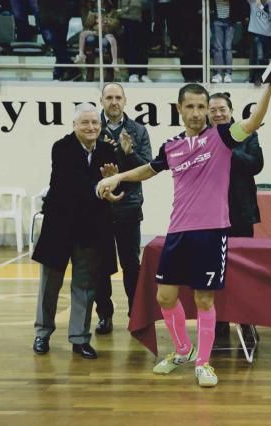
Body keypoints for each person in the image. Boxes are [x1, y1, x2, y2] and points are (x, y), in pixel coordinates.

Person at [96, 78, 271, 387]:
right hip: (178, 232)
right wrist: (119, 177)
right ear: (180, 109)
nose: (198, 112)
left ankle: (203, 363)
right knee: (165, 295)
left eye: (202, 106)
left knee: (203, 300)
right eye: (191, 106)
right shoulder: (171, 145)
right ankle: (183, 350)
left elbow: (253, 122)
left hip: (211, 233)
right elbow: (149, 168)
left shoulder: (223, 137)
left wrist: (269, 91)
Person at [32, 103, 119, 359]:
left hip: (90, 229)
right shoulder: (62, 148)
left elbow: (111, 183)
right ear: (74, 126)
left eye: (95, 123)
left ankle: (79, 338)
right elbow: (71, 182)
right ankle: (42, 333)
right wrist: (99, 187)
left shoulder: (106, 149)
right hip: (59, 227)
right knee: (50, 285)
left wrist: (112, 186)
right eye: (85, 123)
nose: (91, 127)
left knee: (85, 285)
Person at [94, 83, 153, 335]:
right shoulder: (91, 127)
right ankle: (104, 315)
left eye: (118, 97)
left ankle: (135, 314)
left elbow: (147, 169)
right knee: (100, 266)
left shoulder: (138, 131)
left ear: (125, 101)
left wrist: (128, 154)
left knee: (132, 265)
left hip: (128, 208)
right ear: (102, 100)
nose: (114, 102)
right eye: (109, 97)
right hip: (98, 210)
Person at [208, 92, 263, 343]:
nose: (218, 114)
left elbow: (256, 165)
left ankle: (246, 320)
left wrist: (228, 149)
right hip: (210, 215)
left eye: (222, 109)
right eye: (214, 110)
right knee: (214, 272)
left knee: (243, 271)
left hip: (241, 212)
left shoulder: (247, 132)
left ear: (231, 111)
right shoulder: (201, 136)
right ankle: (218, 323)